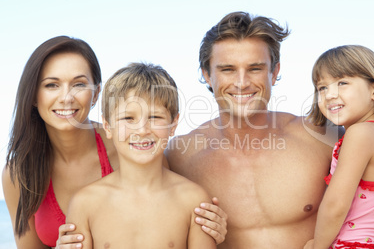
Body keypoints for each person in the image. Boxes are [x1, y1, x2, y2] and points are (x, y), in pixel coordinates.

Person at [165, 11, 374, 248]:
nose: (241, 82)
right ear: (207, 75)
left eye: (255, 68)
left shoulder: (325, 137)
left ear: (274, 72)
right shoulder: (178, 156)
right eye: (227, 69)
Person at [2, 36, 227, 249]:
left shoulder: (133, 151)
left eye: (78, 84)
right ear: (33, 94)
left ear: (96, 93)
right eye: (51, 85)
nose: (66, 97)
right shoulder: (20, 174)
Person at [66, 63, 216, 248]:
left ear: (173, 124)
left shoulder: (193, 200)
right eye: (128, 118)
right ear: (107, 126)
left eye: (154, 117)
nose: (143, 130)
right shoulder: (85, 203)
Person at [303, 45, 374, 249]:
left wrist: (318, 246)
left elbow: (336, 205)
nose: (330, 94)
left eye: (342, 83)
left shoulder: (360, 134)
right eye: (322, 87)